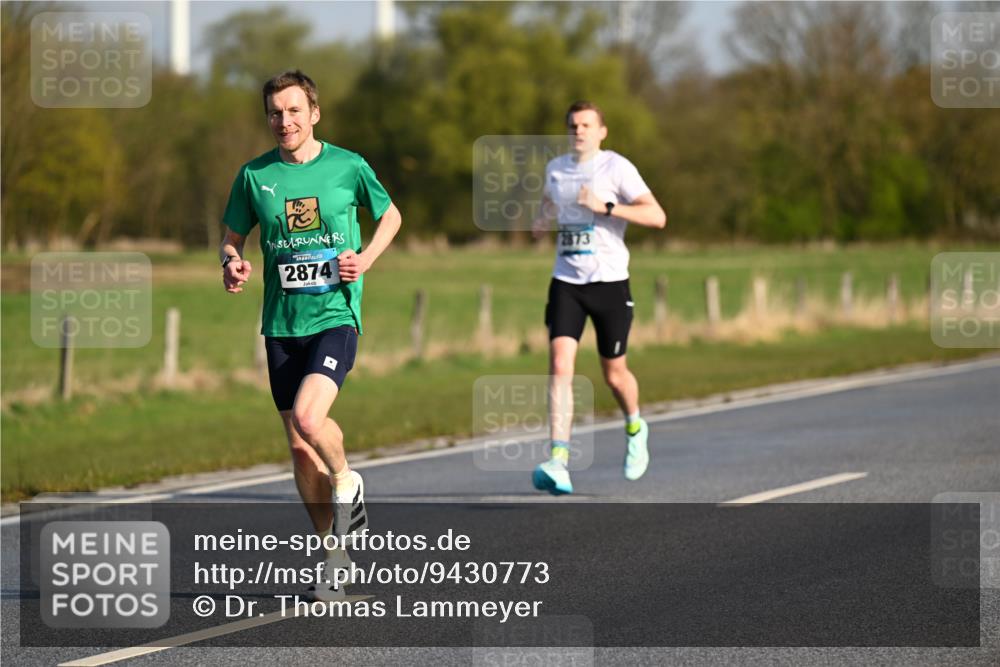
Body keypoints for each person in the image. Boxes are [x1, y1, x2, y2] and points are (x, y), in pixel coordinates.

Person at [219, 70, 401, 596]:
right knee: (300, 450)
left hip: (334, 317)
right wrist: (231, 262)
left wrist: (364, 259)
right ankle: (335, 554)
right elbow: (232, 237)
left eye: (294, 110)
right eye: (275, 112)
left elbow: (390, 216)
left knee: (308, 416)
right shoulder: (254, 176)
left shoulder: (348, 166)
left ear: (313, 114)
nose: (284, 121)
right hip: (281, 324)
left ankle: (347, 478)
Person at [531, 101, 666, 495]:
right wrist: (541, 222)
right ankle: (559, 459)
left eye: (587, 125)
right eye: (573, 125)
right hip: (566, 283)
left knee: (614, 374)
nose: (579, 131)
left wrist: (605, 206)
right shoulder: (556, 169)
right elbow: (548, 204)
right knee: (559, 365)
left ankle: (636, 427)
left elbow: (657, 216)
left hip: (609, 284)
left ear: (602, 131)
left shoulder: (617, 168)